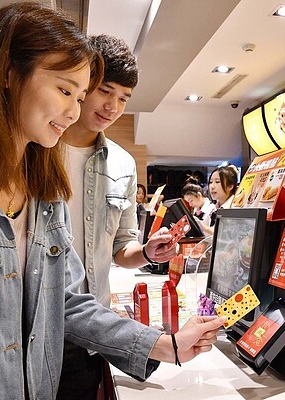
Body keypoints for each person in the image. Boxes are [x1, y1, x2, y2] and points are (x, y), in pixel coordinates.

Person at [0, 4, 224, 399]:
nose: (74, 111)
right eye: (65, 90)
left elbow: (65, 299)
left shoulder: (44, 187)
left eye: (81, 95)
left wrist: (163, 345)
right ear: (6, 73)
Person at [58, 34, 182, 399]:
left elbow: (120, 247)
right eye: (105, 91)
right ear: (83, 86)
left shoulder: (124, 165)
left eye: (124, 98)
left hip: (93, 327)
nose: (112, 106)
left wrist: (146, 252)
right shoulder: (40, 149)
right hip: (35, 325)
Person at [202, 164, 239, 235]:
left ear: (230, 186)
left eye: (217, 182)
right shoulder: (213, 209)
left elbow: (226, 235)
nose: (212, 186)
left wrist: (204, 228)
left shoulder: (235, 208)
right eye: (210, 182)